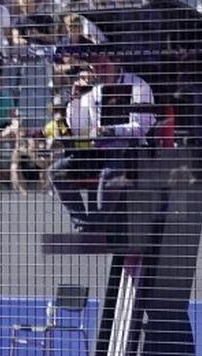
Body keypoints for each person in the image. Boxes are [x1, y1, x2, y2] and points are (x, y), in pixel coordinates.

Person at [48, 51, 155, 231]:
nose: (100, 72)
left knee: (110, 174)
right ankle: (83, 224)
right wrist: (75, 100)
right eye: (96, 68)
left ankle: (98, 225)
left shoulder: (137, 85)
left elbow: (142, 126)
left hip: (128, 150)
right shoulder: (93, 89)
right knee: (57, 171)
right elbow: (78, 128)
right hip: (97, 150)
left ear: (116, 62)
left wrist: (112, 130)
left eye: (104, 66)